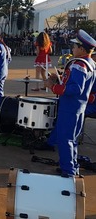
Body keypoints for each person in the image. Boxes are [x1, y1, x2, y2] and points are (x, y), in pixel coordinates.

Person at [45, 29, 96, 176]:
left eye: (75, 46)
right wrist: (60, 77)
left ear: (81, 49)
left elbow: (75, 88)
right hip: (79, 107)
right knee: (71, 139)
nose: (72, 49)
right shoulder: (90, 63)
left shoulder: (79, 64)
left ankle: (68, 172)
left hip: (70, 107)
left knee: (65, 139)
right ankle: (71, 166)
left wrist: (53, 86)